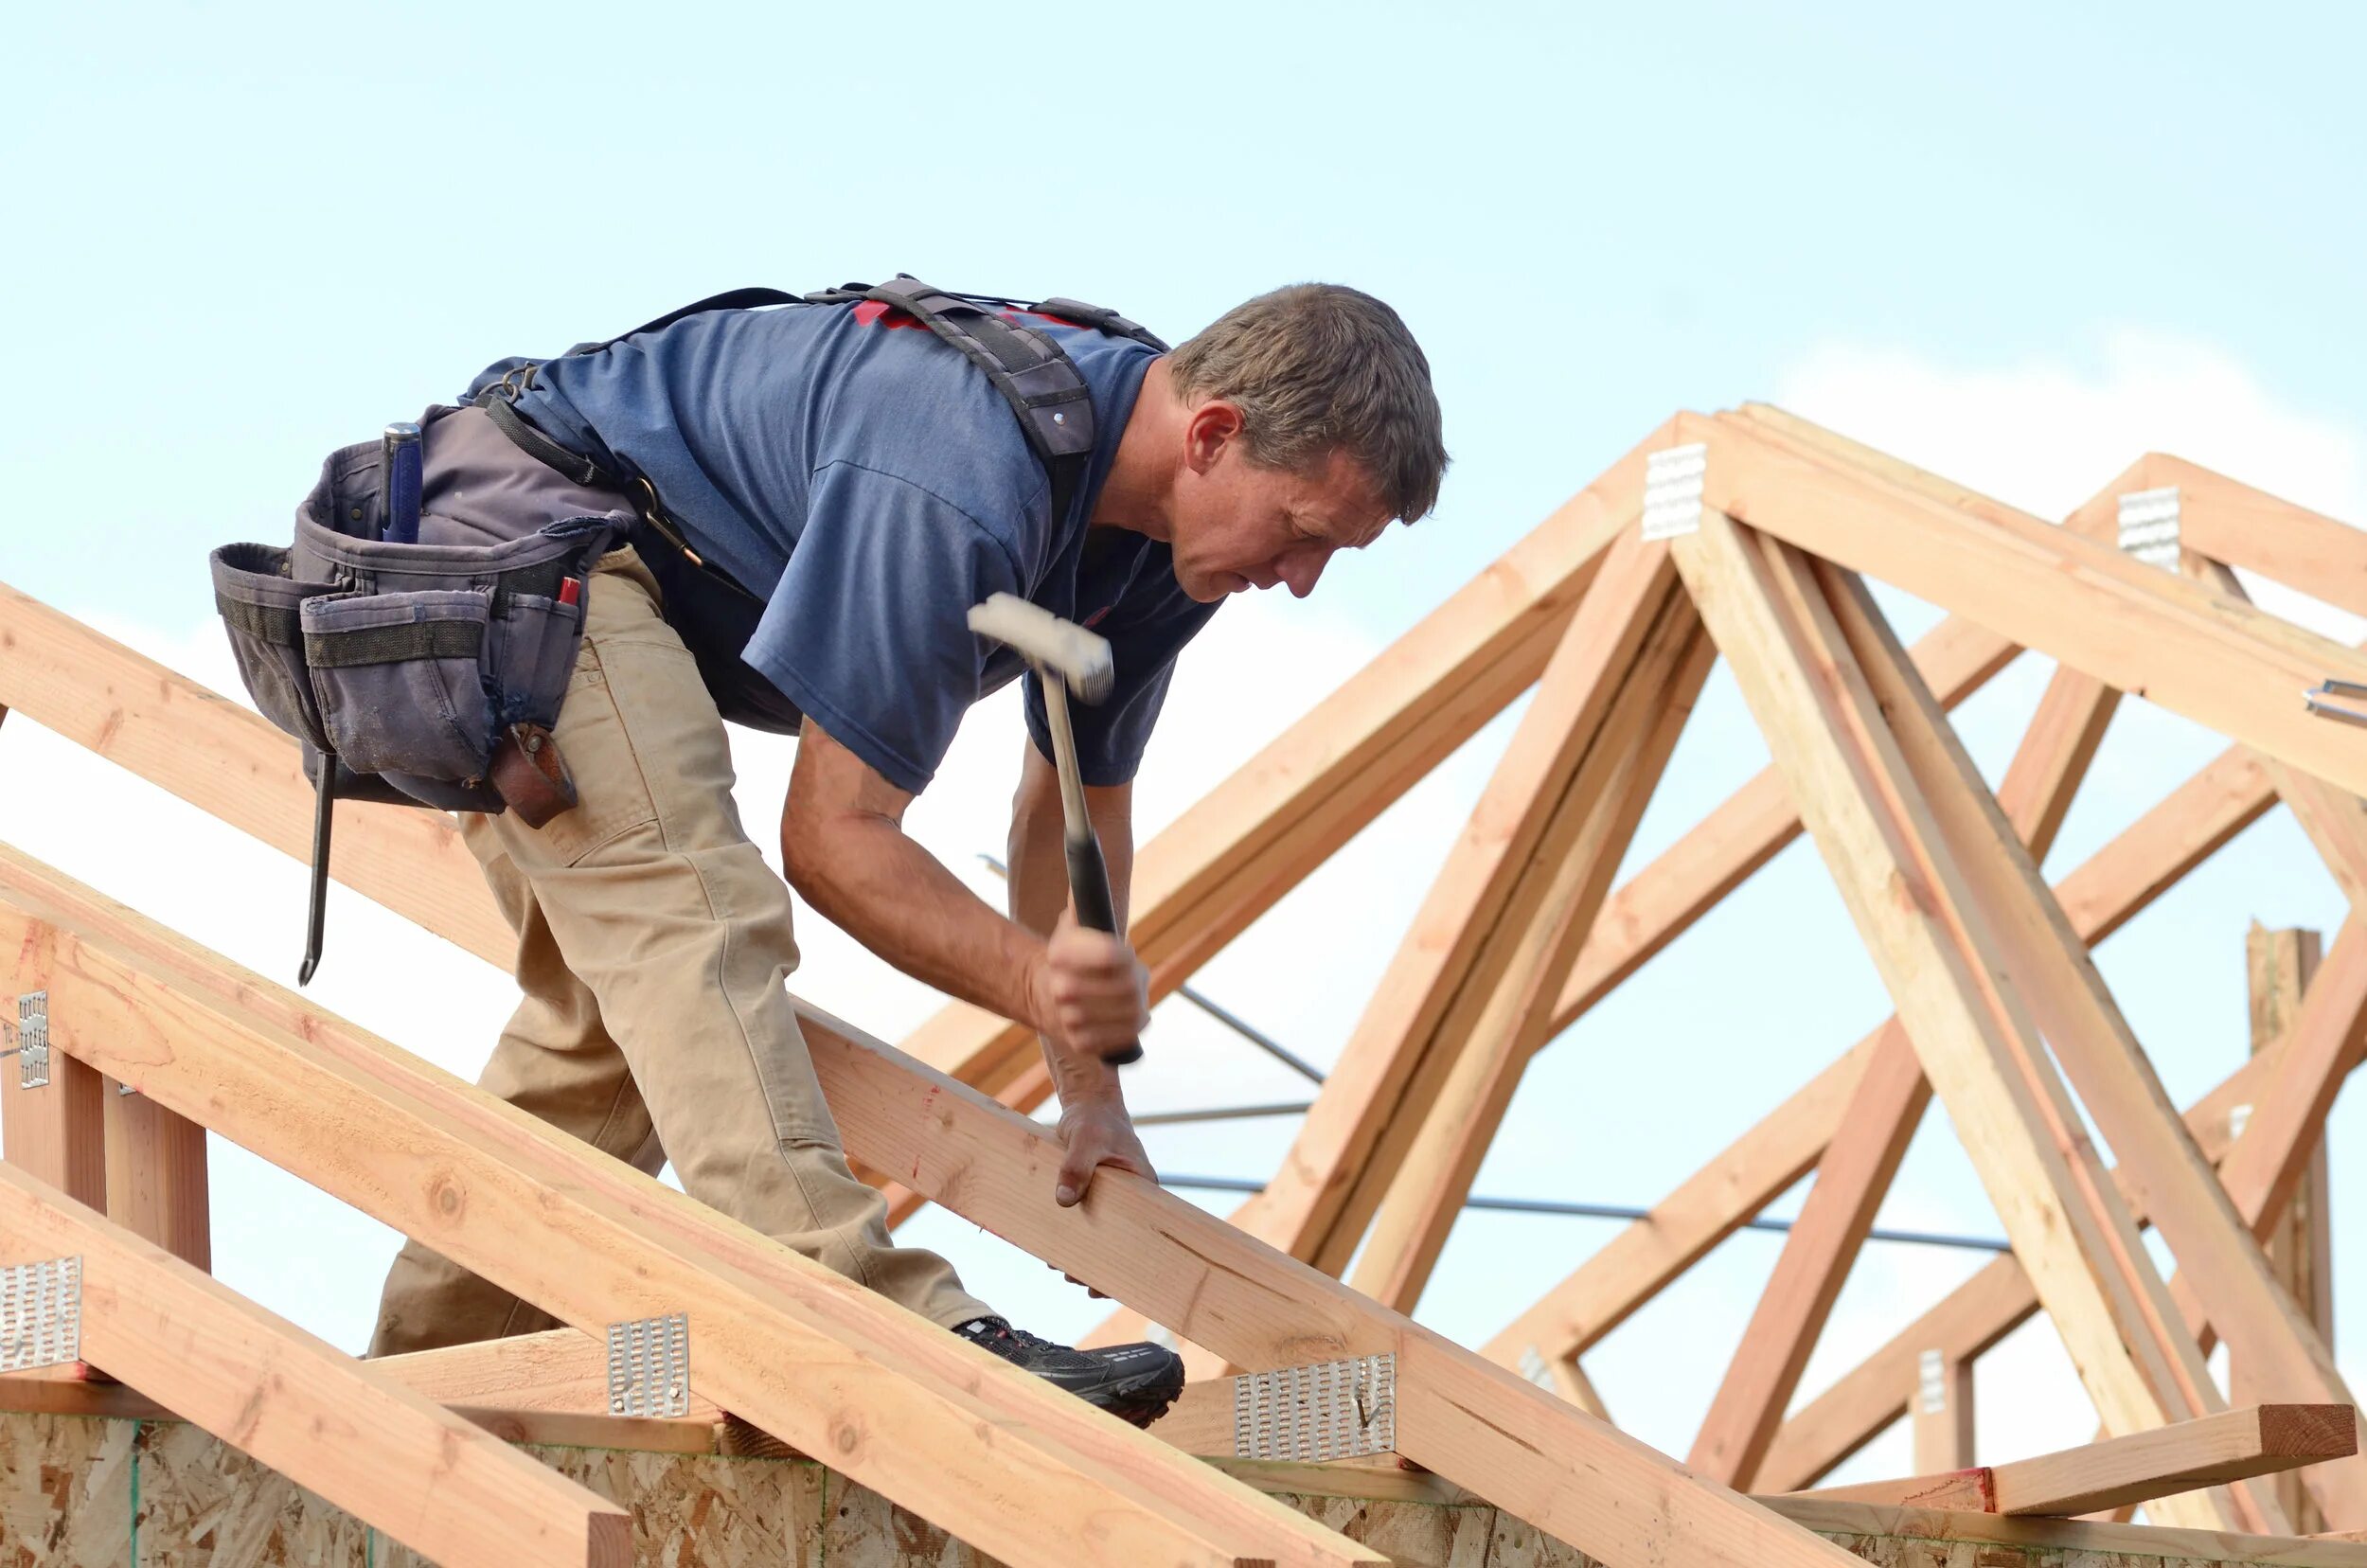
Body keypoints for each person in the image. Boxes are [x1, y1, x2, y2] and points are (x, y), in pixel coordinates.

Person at [365, 281, 1448, 1423]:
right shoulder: (961, 471)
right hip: (517, 548)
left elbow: (1070, 812)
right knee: (695, 915)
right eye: (1303, 533)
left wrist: (1087, 1095)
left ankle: (402, 1415)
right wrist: (1038, 981)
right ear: (1214, 435)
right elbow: (832, 842)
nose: (1302, 580)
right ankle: (874, 1311)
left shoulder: (1165, 548)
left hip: (620, 575)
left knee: (617, 1038)